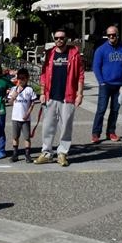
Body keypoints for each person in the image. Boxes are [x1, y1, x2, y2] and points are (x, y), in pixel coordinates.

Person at [34, 29, 85, 168]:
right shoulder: (50, 53)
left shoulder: (74, 53)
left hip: (68, 95)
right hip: (51, 94)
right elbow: (44, 74)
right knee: (47, 126)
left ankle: (62, 153)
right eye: (56, 38)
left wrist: (80, 94)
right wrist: (43, 92)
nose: (59, 40)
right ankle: (46, 152)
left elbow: (80, 75)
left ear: (66, 38)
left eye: (62, 38)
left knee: (66, 127)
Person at [91, 26, 122, 144]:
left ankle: (111, 132)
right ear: (106, 36)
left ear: (117, 34)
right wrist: (101, 82)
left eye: (113, 34)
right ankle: (95, 133)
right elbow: (96, 67)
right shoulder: (101, 50)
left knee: (115, 110)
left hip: (119, 84)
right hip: (105, 84)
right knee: (101, 109)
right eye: (109, 35)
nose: (111, 37)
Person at [7, 68, 37, 163]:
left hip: (25, 118)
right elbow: (10, 102)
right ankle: (15, 153)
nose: (21, 80)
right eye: (19, 78)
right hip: (15, 117)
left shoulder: (29, 90)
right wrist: (13, 97)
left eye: (23, 78)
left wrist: (28, 113)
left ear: (27, 79)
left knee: (27, 137)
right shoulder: (13, 89)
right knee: (15, 136)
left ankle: (27, 154)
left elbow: (32, 103)